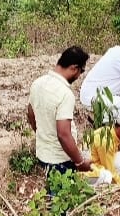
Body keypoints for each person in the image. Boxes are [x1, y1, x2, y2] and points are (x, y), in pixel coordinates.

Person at [27, 45, 92, 180]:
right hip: (60, 160)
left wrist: (44, 136)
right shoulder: (65, 94)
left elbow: (31, 116)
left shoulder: (37, 83)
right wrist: (80, 162)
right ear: (74, 68)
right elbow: (63, 134)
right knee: (63, 197)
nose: (79, 76)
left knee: (53, 192)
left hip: (43, 155)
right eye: (81, 71)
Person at [81, 114, 120, 185]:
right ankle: (100, 187)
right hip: (86, 173)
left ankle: (110, 183)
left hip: (96, 164)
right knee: (107, 176)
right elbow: (109, 169)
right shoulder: (106, 141)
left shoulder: (110, 131)